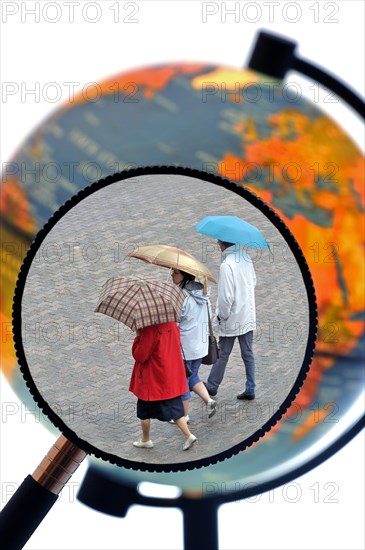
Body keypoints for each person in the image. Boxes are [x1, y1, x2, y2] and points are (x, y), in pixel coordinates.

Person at [129, 322, 197, 451]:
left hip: (152, 380)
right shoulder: (172, 324)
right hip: (170, 376)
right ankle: (188, 435)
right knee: (175, 410)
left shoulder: (150, 330)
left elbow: (140, 356)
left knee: (143, 412)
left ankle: (145, 439)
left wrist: (138, 335)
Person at [204, 240, 257, 400]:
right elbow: (253, 281)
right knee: (247, 352)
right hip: (247, 314)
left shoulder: (227, 265)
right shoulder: (246, 257)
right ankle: (251, 388)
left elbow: (226, 297)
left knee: (223, 352)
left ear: (222, 245)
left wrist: (221, 316)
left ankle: (212, 385)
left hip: (232, 317)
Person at [171, 269, 217, 420]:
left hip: (186, 348)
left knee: (182, 381)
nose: (172, 275)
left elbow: (176, 322)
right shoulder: (203, 294)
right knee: (193, 376)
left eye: (175, 272)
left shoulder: (181, 297)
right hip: (201, 346)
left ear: (184, 276)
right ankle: (209, 401)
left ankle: (184, 416)